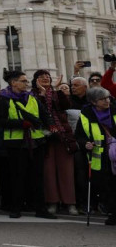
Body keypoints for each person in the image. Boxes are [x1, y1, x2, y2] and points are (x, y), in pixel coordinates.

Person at [0, 71, 55, 219]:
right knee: (17, 177)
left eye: (26, 81)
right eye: (23, 81)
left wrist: (51, 126)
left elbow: (44, 114)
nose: (26, 84)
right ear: (13, 83)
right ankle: (16, 208)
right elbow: (0, 121)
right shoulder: (3, 100)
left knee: (38, 177)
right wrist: (21, 124)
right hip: (16, 144)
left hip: (36, 142)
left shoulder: (32, 98)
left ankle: (41, 209)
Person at [33, 69, 77, 215]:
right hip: (44, 137)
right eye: (41, 77)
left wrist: (57, 90)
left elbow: (65, 105)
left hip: (63, 136)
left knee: (66, 171)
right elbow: (40, 111)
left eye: (47, 76)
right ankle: (52, 202)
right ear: (35, 80)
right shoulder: (32, 95)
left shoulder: (58, 93)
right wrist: (43, 94)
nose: (45, 78)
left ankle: (70, 203)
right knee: (49, 172)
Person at [76, 87, 116, 224]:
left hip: (115, 153)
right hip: (100, 157)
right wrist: (85, 144)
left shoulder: (114, 110)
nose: (107, 101)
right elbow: (79, 136)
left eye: (108, 98)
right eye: (103, 99)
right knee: (106, 186)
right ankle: (113, 214)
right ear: (93, 102)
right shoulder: (86, 115)